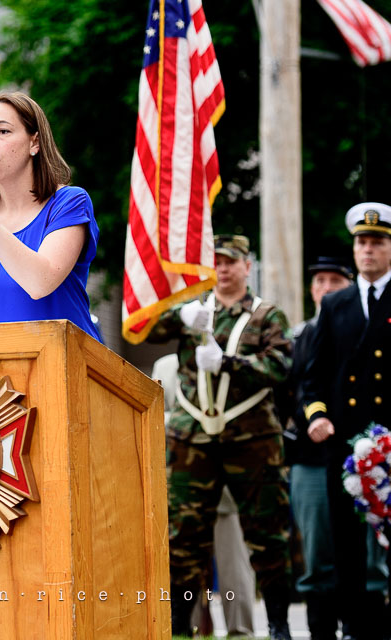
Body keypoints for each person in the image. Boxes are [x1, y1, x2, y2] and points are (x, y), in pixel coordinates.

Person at [301, 204, 391, 640]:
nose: (367, 250)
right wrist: (317, 414)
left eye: (377, 243)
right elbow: (314, 372)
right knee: (345, 543)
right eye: (362, 242)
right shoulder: (335, 304)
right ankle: (354, 627)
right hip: (343, 443)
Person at [146, 234, 294, 640]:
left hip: (252, 440)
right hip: (192, 441)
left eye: (231, 262)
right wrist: (179, 316)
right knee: (183, 539)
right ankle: (180, 626)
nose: (223, 270)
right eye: (217, 263)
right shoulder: (195, 311)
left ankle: (279, 625)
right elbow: (143, 328)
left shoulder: (267, 316)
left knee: (267, 535)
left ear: (247, 266)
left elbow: (281, 366)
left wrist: (229, 363)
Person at [0, 91, 102, 342]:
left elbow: (40, 283)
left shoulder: (69, 202)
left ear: (34, 143)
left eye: (3, 131)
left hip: (60, 360)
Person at [284, 256, 354, 640]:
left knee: (365, 555)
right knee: (316, 553)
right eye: (319, 281)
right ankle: (320, 631)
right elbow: (285, 393)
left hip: (360, 456)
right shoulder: (299, 336)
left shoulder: (363, 327)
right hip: (310, 458)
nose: (325, 288)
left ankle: (361, 626)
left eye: (334, 281)